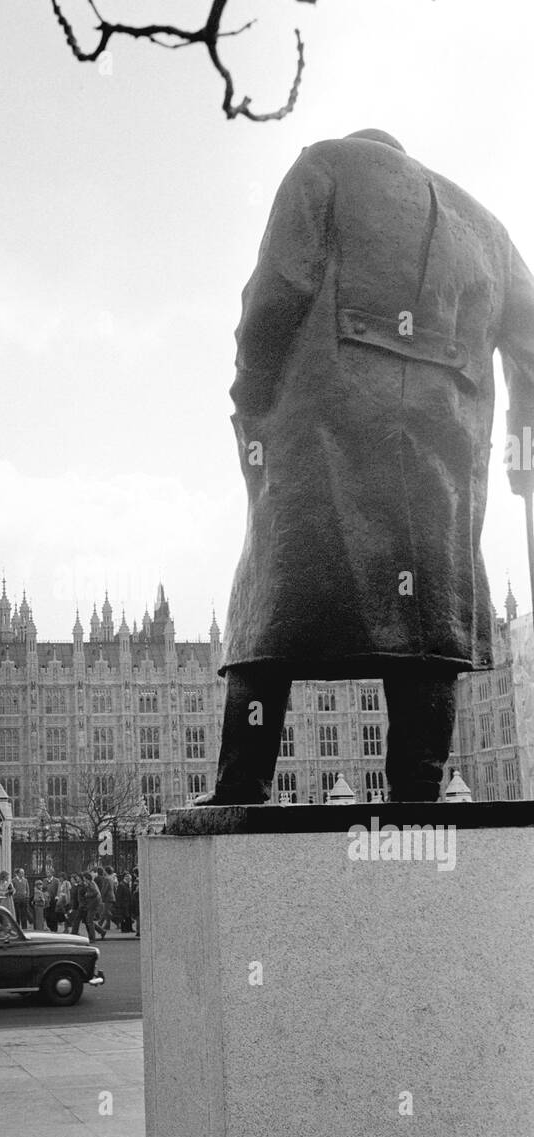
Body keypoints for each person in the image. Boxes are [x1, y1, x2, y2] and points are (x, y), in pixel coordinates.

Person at [206, 127, 534, 805]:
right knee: (428, 619)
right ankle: (417, 787)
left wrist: (251, 395)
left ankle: (242, 783)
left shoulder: (323, 166)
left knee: (274, 593)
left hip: (323, 415)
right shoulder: (488, 230)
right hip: (444, 446)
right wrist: (520, 452)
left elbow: (274, 291)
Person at [97, 866, 117, 938]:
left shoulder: (106, 879)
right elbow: (114, 888)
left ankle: (99, 925)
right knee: (107, 911)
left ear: (106, 871)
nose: (104, 872)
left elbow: (104, 888)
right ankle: (108, 925)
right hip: (111, 896)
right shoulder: (111, 879)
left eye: (104, 870)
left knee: (105, 911)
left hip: (108, 897)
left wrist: (101, 896)